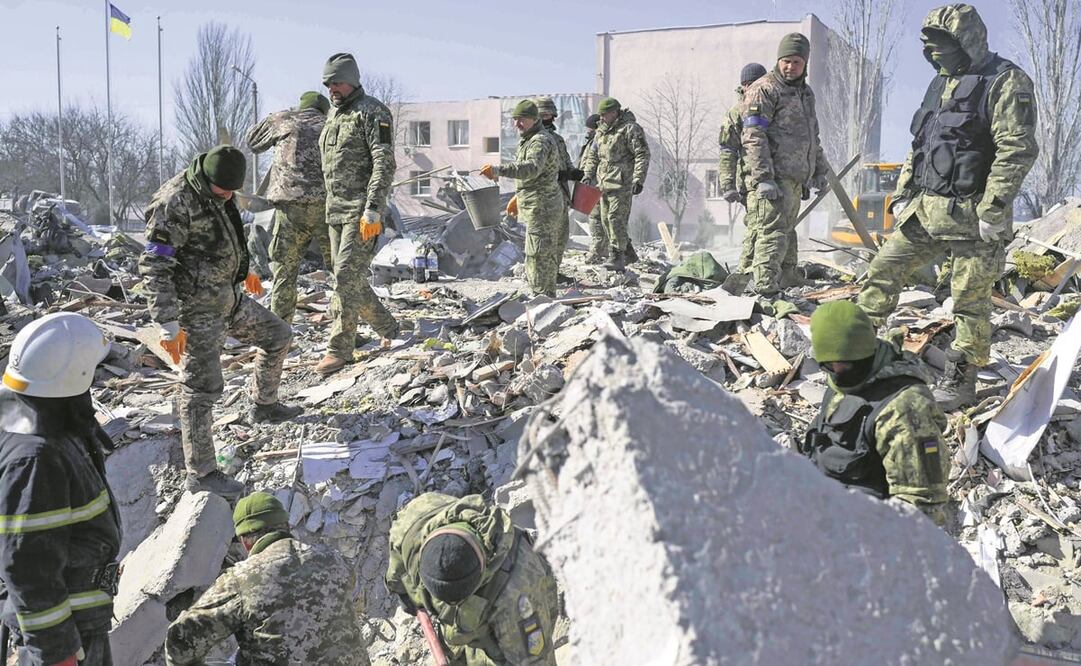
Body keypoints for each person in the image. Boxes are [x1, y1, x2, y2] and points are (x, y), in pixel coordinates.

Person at [857, 3, 1039, 410]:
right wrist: (903, 194)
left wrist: (994, 209)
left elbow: (1017, 150)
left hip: (975, 220)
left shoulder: (1006, 81)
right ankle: (858, 353)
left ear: (966, 41)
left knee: (970, 301)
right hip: (925, 211)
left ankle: (960, 380)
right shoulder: (938, 85)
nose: (935, 53)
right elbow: (920, 146)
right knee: (884, 269)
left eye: (943, 45)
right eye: (930, 46)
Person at [140, 145, 302, 498]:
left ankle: (263, 405)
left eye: (232, 190)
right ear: (206, 177)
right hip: (195, 312)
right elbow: (155, 263)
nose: (227, 196)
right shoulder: (174, 201)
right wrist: (167, 322)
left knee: (278, 335)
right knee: (201, 389)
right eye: (222, 190)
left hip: (228, 300)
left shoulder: (220, 191)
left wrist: (244, 272)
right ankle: (201, 473)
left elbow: (227, 236)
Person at [0, 313, 122, 665]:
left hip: (77, 618)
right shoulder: (36, 457)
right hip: (68, 631)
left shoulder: (35, 413)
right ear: (75, 376)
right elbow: (26, 563)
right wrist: (56, 652)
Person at [164, 492, 368, 665]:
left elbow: (180, 640)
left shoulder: (241, 579)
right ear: (286, 525)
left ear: (245, 541)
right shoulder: (332, 558)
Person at [800, 301, 950, 525]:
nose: (838, 371)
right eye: (829, 366)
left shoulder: (904, 409)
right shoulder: (843, 381)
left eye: (845, 364)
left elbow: (921, 507)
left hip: (868, 534)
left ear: (864, 353)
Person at [386, 493, 559, 665]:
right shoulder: (416, 517)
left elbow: (536, 660)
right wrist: (404, 593)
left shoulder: (518, 593)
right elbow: (397, 559)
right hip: (470, 623)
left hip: (512, 618)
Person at [316, 52, 400, 376]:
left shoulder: (372, 112)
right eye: (327, 83)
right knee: (346, 280)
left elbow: (384, 162)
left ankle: (340, 349)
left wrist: (373, 210)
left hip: (360, 213)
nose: (331, 88)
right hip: (334, 213)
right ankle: (389, 327)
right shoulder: (333, 117)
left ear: (351, 80)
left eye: (336, 82)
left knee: (347, 278)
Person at [741, 33, 829, 296]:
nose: (791, 67)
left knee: (788, 230)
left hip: (796, 176)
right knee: (773, 231)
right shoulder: (764, 89)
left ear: (805, 65)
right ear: (779, 60)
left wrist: (819, 170)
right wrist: (763, 177)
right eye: (786, 61)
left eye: (797, 62)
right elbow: (753, 136)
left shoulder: (805, 93)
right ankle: (764, 286)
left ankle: (788, 275)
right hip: (775, 176)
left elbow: (813, 136)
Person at [246, 90, 334, 323]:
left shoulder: (285, 120)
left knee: (285, 271)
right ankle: (346, 329)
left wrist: (277, 117)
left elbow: (253, 142)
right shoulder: (333, 124)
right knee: (341, 272)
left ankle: (281, 329)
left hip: (290, 209)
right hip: (326, 209)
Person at [480, 100, 563, 297]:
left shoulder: (539, 141)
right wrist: (519, 196)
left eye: (521, 120)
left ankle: (543, 297)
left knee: (539, 254)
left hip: (543, 206)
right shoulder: (529, 139)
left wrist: (498, 170)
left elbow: (532, 168)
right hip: (536, 203)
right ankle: (542, 293)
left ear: (534, 119)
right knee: (537, 252)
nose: (517, 124)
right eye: (515, 119)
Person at [581, 97, 650, 271]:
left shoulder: (630, 129)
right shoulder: (601, 132)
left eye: (604, 115)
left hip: (622, 183)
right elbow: (593, 155)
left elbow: (642, 154)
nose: (601, 118)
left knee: (615, 219)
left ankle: (617, 256)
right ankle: (629, 254)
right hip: (603, 183)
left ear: (614, 112)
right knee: (605, 220)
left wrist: (638, 179)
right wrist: (588, 175)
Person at [718, 62, 768, 273]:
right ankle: (746, 271)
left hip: (776, 177)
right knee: (757, 226)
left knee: (778, 228)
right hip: (751, 180)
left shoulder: (775, 107)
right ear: (745, 85)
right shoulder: (737, 112)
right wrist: (727, 184)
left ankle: (779, 271)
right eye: (752, 84)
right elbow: (727, 151)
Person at [534, 96, 581, 274]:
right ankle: (542, 275)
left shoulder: (557, 139)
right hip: (543, 196)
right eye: (543, 114)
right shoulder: (534, 140)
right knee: (546, 238)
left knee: (561, 236)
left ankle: (554, 272)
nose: (548, 118)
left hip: (561, 194)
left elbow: (566, 162)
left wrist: (573, 172)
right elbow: (533, 170)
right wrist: (558, 174)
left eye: (550, 114)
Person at [577, 114, 607, 263]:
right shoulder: (592, 142)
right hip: (590, 184)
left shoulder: (599, 141)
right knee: (596, 218)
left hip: (596, 185)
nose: (587, 131)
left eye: (589, 128)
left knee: (596, 219)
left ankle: (597, 251)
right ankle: (603, 250)